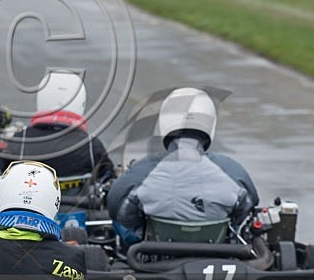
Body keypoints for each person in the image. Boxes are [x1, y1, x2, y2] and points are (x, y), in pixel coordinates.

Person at [106, 87, 259, 246]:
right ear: (209, 122)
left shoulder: (143, 169)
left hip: (155, 254)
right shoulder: (231, 169)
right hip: (218, 253)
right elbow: (251, 203)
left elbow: (114, 204)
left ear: (165, 121)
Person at [0, 70, 113, 182]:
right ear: (80, 102)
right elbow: (107, 177)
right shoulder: (91, 145)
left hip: (31, 200)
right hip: (76, 201)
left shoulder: (20, 141)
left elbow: (3, 171)